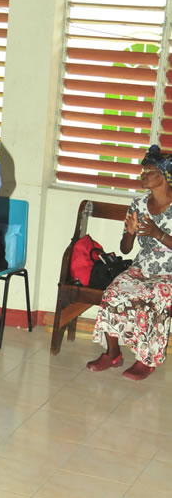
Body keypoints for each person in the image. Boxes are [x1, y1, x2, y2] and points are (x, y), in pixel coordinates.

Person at [87, 144, 172, 380]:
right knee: (113, 293)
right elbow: (125, 248)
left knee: (155, 297)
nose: (142, 174)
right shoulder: (138, 204)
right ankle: (112, 354)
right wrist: (130, 232)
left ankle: (146, 360)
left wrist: (158, 234)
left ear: (164, 176)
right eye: (142, 170)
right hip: (140, 268)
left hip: (168, 275)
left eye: (149, 170)